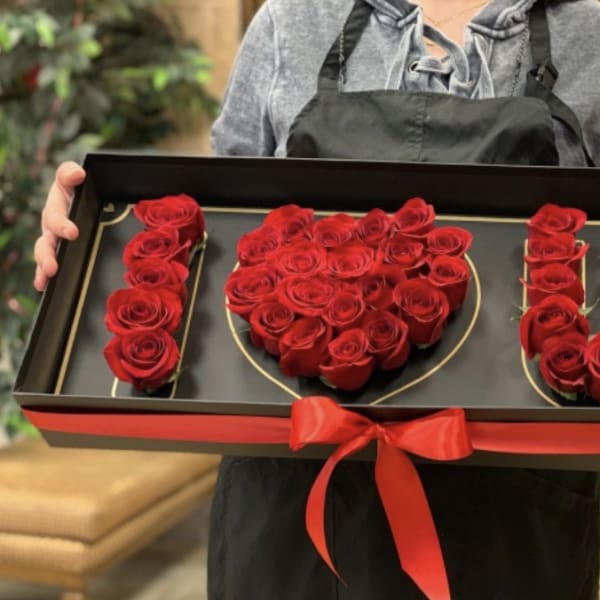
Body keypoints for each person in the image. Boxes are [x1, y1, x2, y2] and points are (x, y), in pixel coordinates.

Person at [35, 0, 600, 598]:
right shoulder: (291, 22)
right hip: (289, 506)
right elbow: (222, 225)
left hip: (517, 518)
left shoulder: (588, 33)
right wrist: (89, 238)